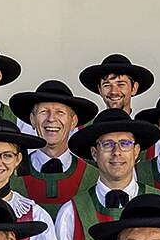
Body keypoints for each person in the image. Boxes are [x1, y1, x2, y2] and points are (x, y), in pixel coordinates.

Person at [54, 109, 160, 240]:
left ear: (136, 151)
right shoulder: (71, 212)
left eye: (125, 143)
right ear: (94, 153)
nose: (117, 152)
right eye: (107, 144)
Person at [7, 79, 99, 216]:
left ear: (73, 122)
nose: (51, 119)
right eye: (44, 112)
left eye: (60, 112)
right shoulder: (10, 175)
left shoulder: (94, 177)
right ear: (32, 120)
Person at [80, 52, 155, 113]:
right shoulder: (92, 127)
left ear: (134, 88)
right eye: (107, 85)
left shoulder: (146, 126)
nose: (114, 92)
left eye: (121, 84)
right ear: (100, 90)